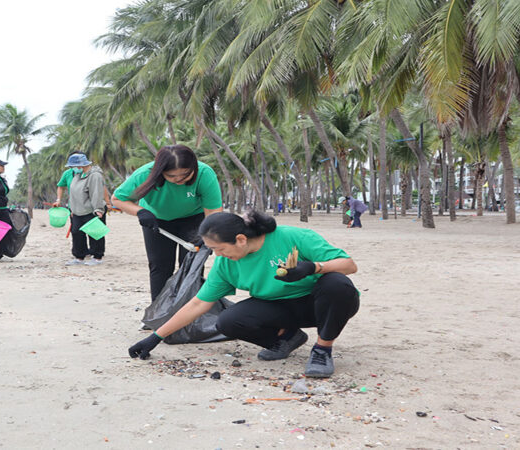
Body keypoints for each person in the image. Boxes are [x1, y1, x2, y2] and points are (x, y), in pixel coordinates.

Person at [128, 210, 360, 378]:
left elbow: (349, 265)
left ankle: (322, 349)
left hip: (321, 305)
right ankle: (287, 338)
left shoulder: (292, 237)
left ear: (240, 240)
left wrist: (312, 268)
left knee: (337, 284)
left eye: (220, 248)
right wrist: (156, 337)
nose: (218, 255)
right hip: (279, 309)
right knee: (228, 321)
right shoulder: (226, 264)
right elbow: (198, 303)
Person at [111, 145, 223, 304]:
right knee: (160, 266)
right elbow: (117, 199)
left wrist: (208, 235)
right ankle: (158, 310)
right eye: (172, 176)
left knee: (192, 265)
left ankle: (189, 309)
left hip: (194, 219)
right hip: (156, 220)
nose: (179, 179)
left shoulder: (204, 173)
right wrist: (140, 212)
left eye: (185, 174)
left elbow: (213, 211)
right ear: (160, 171)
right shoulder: (144, 175)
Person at [64, 154, 107, 266]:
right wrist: (72, 209)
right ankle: (79, 257)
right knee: (76, 233)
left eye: (73, 166)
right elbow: (73, 194)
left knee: (94, 234)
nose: (72, 168)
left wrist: (98, 209)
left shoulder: (95, 175)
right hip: (77, 210)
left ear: (80, 165)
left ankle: (97, 257)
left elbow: (96, 193)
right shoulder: (77, 175)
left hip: (91, 210)